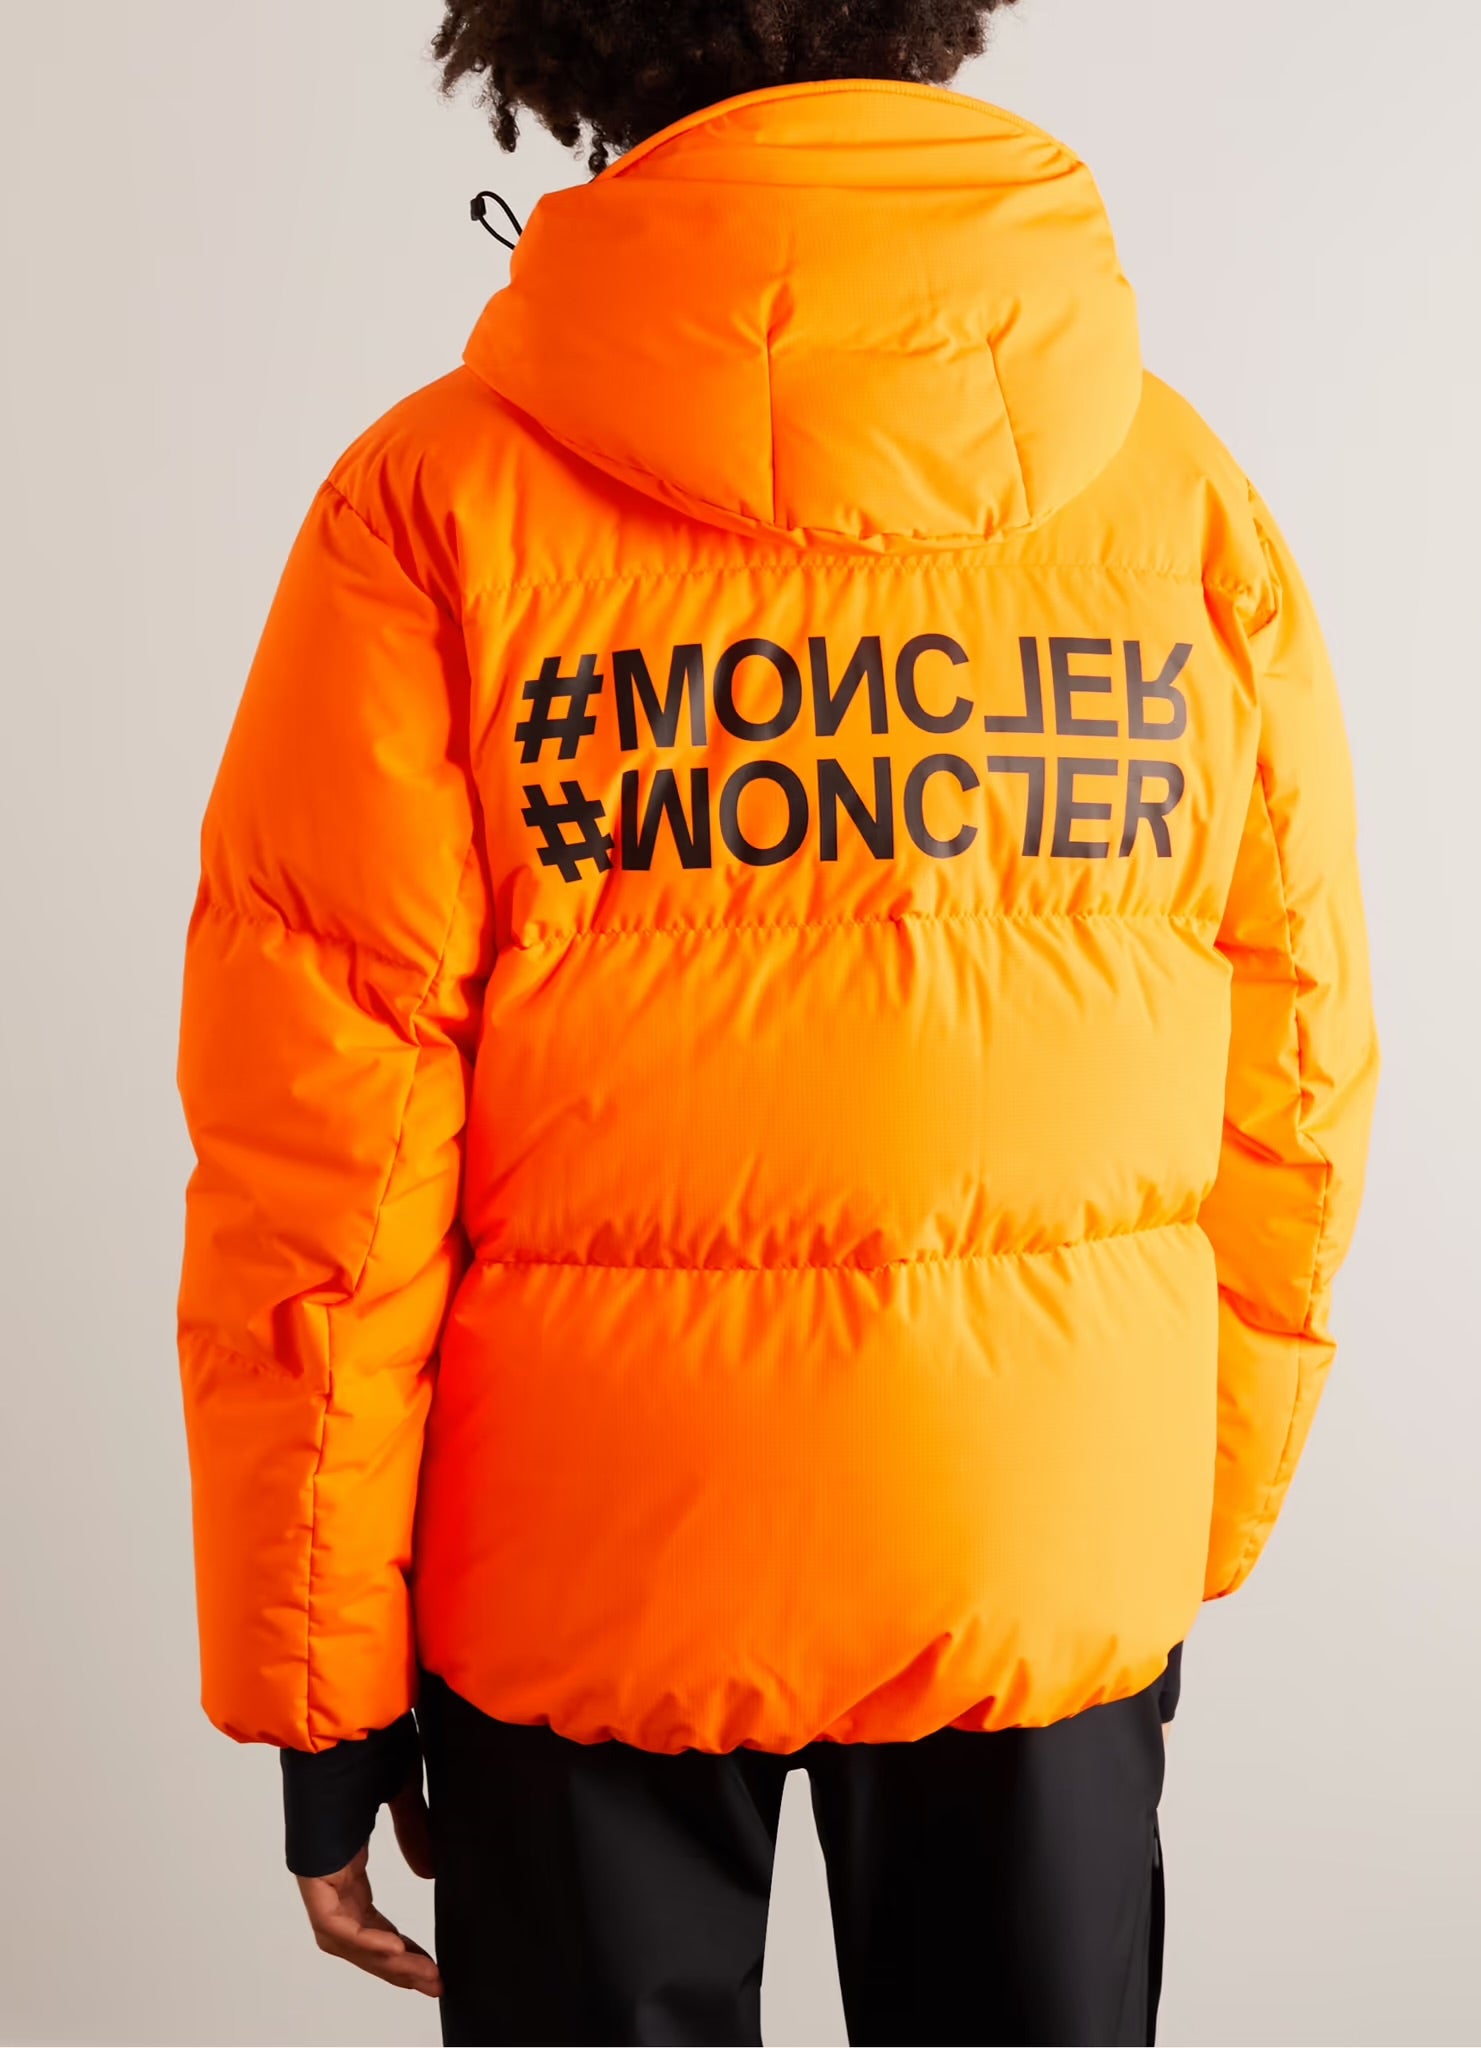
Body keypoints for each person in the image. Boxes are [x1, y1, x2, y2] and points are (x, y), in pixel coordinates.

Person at [174, 3, 1380, 2043]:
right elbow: (1302, 1067)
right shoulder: (1176, 497)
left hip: (579, 1566)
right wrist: (1172, 1528)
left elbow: (327, 1145)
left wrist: (322, 1678)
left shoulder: (433, 505)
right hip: (1038, 1518)